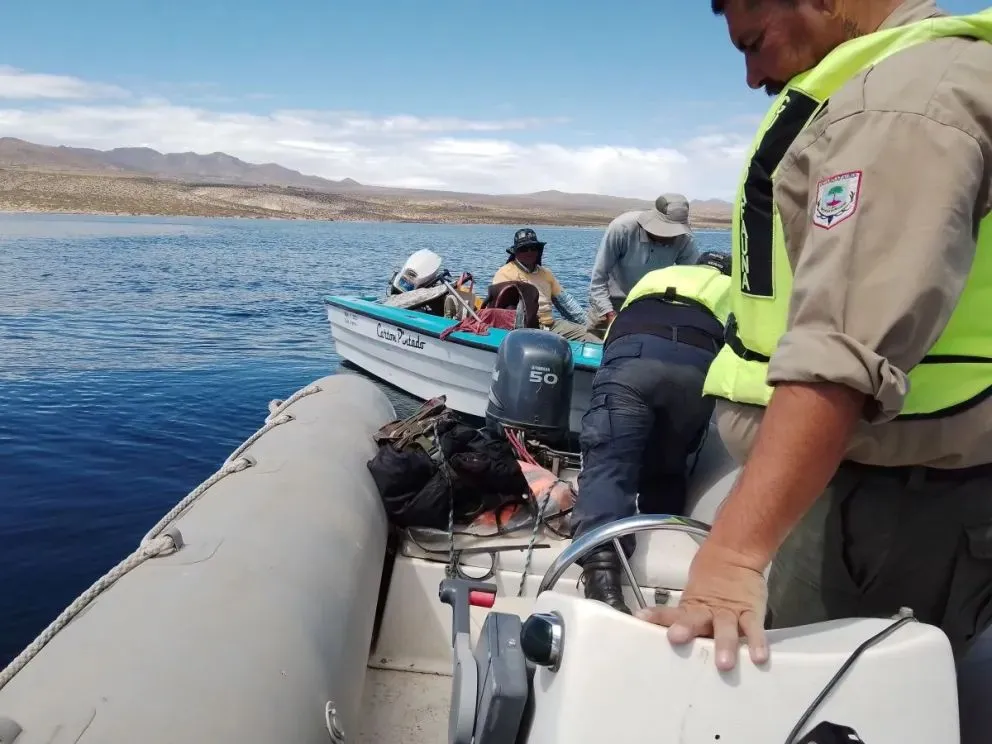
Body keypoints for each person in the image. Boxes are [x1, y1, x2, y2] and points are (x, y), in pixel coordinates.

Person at [637, 0, 992, 676]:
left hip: (884, 511)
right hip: (857, 484)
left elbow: (841, 351)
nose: (749, 76)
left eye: (753, 41)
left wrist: (733, 558)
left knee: (830, 705)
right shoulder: (899, 81)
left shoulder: (901, 102)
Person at [570, 251, 732, 614]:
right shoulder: (733, 288)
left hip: (631, 357)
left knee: (610, 462)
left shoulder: (658, 276)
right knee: (670, 462)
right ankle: (666, 548)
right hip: (697, 366)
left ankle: (602, 580)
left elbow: (616, 328)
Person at [586, 194, 701, 338]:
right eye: (666, 231)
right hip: (609, 305)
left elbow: (695, 282)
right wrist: (609, 314)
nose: (670, 237)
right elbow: (598, 280)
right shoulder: (622, 228)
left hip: (651, 308)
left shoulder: (684, 240)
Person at [490, 228, 598, 343]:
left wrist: (591, 326)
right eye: (524, 249)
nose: (529, 252)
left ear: (539, 251)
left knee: (593, 337)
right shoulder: (505, 273)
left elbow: (567, 304)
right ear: (515, 252)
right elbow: (501, 312)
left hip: (551, 325)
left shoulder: (546, 273)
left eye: (533, 248)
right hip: (524, 330)